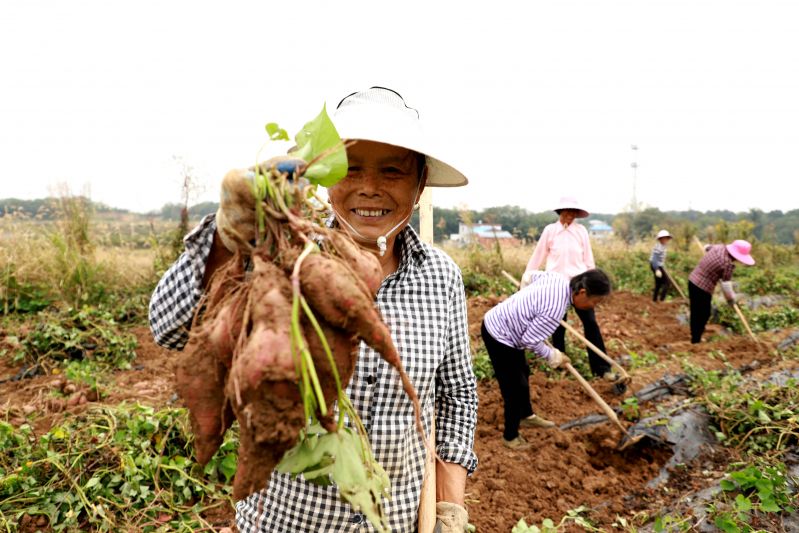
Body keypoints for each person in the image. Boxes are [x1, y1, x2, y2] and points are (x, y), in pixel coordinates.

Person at [149, 87, 478, 532]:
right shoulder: (271, 256)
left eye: (392, 171)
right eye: (352, 168)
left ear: (419, 185)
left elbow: (457, 395)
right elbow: (168, 328)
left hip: (394, 521)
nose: (369, 188)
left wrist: (449, 507)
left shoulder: (442, 277)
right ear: (324, 178)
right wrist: (228, 240)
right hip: (286, 522)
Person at [481, 269, 612, 450]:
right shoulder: (555, 310)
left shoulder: (559, 278)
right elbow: (530, 340)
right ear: (582, 292)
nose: (593, 306)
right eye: (594, 301)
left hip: (511, 330)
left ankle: (526, 416)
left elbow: (529, 275)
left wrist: (526, 304)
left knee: (523, 372)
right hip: (498, 334)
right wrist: (553, 356)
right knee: (514, 387)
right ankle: (510, 436)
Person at [520, 197, 614, 380]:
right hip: (554, 287)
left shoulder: (581, 232)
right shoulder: (550, 231)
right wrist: (526, 279)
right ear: (560, 211)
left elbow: (588, 259)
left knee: (591, 324)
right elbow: (538, 255)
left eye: (573, 213)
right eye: (567, 212)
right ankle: (559, 364)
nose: (570, 216)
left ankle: (602, 368)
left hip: (579, 286)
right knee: (557, 326)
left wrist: (592, 283)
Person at [687, 239, 755, 344]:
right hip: (702, 287)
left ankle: (697, 332)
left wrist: (713, 265)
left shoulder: (719, 247)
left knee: (698, 311)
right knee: (703, 313)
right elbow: (726, 286)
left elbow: (706, 247)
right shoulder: (727, 264)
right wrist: (731, 300)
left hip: (692, 280)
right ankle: (696, 340)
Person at [650, 229, 673, 302]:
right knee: (667, 283)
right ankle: (662, 300)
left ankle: (654, 300)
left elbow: (661, 259)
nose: (666, 239)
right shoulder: (658, 247)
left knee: (658, 283)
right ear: (660, 239)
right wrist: (657, 269)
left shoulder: (663, 246)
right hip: (655, 265)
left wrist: (662, 266)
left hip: (659, 266)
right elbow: (654, 259)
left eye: (667, 238)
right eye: (664, 238)